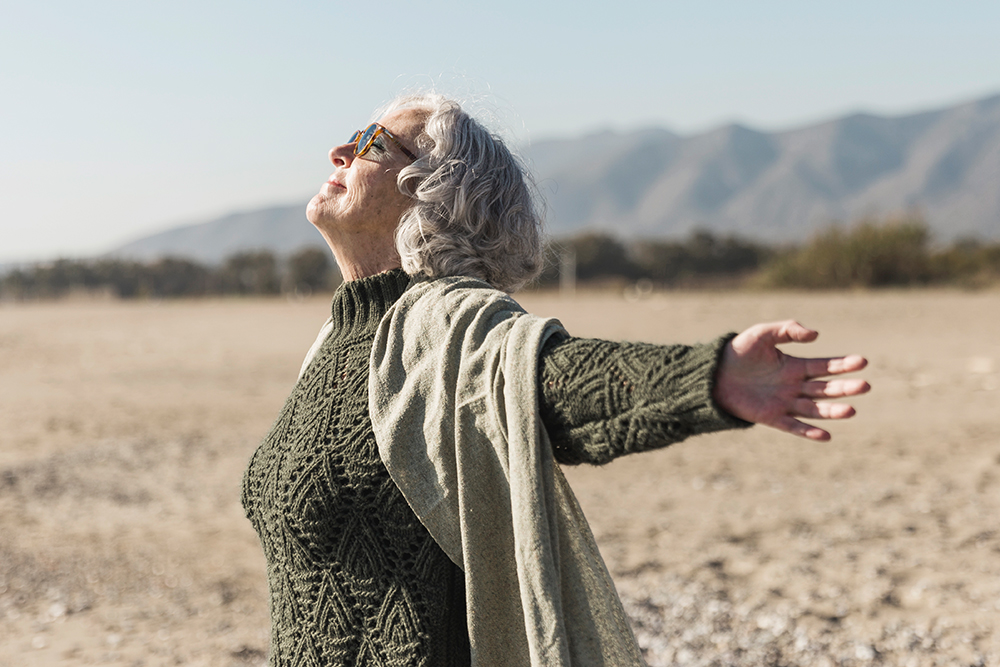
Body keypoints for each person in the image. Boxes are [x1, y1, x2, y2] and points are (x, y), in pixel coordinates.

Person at [241, 93, 870, 667]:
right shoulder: (340, 338)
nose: (341, 150)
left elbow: (549, 382)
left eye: (373, 140)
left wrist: (709, 379)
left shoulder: (448, 327)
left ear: (437, 194)